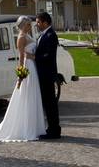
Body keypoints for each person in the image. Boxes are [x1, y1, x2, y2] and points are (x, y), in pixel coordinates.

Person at [35, 11, 61, 139]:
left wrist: (35, 57)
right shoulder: (43, 35)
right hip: (42, 73)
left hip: (47, 74)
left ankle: (54, 130)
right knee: (47, 102)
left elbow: (48, 55)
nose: (37, 25)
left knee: (50, 103)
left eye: (38, 22)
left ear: (45, 22)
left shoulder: (51, 35)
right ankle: (51, 128)